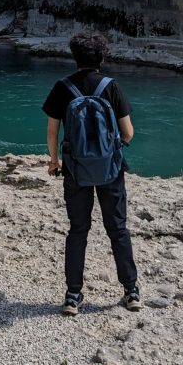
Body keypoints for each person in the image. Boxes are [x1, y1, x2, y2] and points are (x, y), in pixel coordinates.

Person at [42, 31, 141, 315]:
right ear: (102, 57)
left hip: (75, 169)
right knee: (118, 229)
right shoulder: (112, 87)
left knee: (78, 230)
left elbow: (52, 131)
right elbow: (128, 133)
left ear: (74, 58)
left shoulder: (63, 87)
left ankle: (73, 296)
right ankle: (131, 292)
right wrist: (112, 150)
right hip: (110, 171)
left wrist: (54, 161)